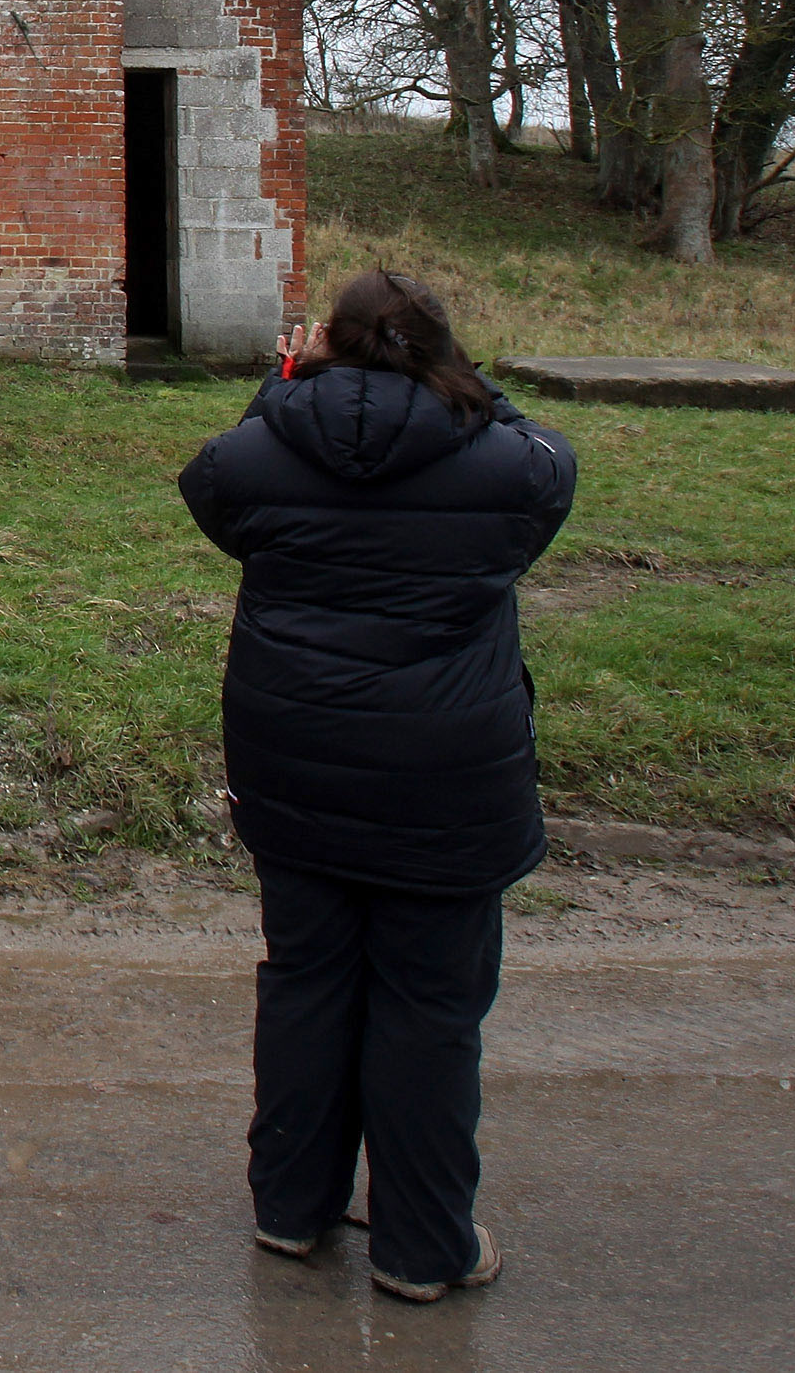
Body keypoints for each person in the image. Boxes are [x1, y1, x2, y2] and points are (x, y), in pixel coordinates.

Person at [177, 269, 576, 1304]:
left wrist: (288, 389)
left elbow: (216, 482)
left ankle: (289, 1210)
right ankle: (421, 1246)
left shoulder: (257, 452)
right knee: (429, 1007)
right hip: (446, 779)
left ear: (322, 347)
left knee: (305, 982)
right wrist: (459, 378)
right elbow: (543, 463)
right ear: (441, 352)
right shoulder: (508, 466)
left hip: (296, 761)